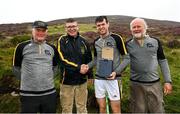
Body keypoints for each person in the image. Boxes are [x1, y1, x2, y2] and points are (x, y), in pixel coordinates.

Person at [119, 17, 173, 113]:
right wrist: (117, 72)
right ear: (131, 30)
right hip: (136, 84)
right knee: (138, 110)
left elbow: (163, 61)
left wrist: (167, 81)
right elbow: (124, 61)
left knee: (157, 110)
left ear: (145, 28)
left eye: (138, 26)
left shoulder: (155, 41)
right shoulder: (127, 44)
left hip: (154, 83)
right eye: (133, 27)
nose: (136, 29)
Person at [12, 20, 60, 113]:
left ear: (46, 32)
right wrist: (28, 80)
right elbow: (15, 68)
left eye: (43, 30)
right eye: (38, 30)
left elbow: (56, 67)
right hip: (28, 95)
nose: (40, 33)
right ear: (32, 31)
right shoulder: (21, 47)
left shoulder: (52, 48)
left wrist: (47, 78)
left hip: (49, 93)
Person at [84, 16, 127, 113]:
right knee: (102, 107)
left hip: (113, 79)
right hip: (99, 79)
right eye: (98, 25)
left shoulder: (116, 38)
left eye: (103, 24)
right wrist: (87, 66)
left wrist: (116, 72)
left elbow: (127, 58)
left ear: (108, 24)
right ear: (96, 27)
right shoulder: (96, 42)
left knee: (115, 109)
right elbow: (95, 59)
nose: (101, 27)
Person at [57, 18, 92, 113]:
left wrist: (90, 75)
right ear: (65, 28)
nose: (71, 29)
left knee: (82, 107)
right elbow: (62, 59)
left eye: (73, 26)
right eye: (69, 27)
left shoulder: (84, 41)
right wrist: (78, 68)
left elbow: (89, 59)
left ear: (78, 27)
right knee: (66, 108)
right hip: (67, 82)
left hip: (82, 81)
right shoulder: (62, 40)